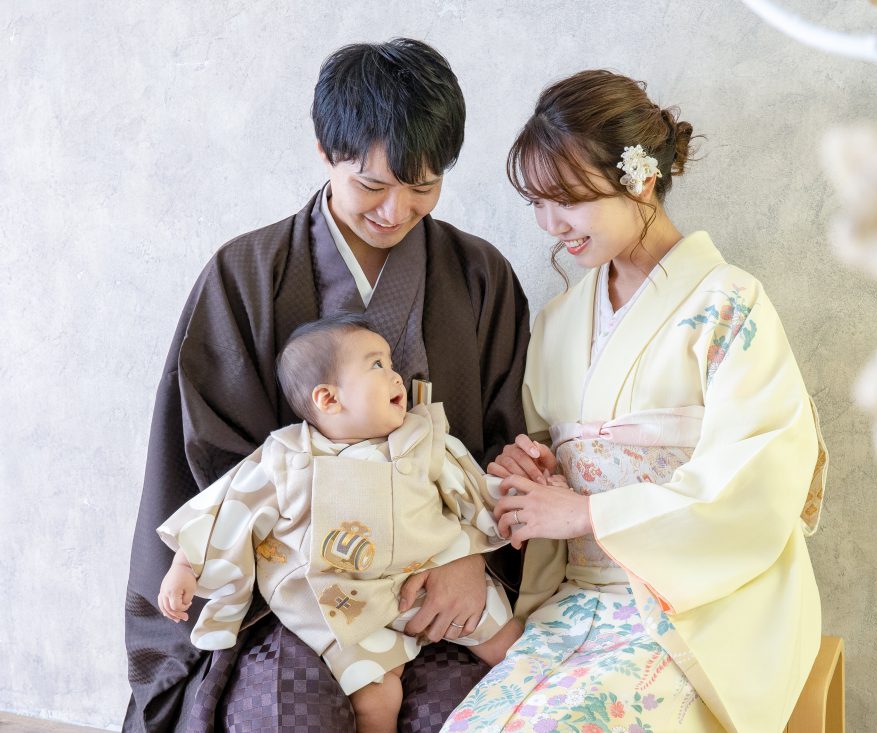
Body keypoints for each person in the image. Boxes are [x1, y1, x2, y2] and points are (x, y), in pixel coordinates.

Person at [125, 39, 530, 732]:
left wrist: (473, 561)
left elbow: (503, 443)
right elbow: (209, 467)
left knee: (469, 717)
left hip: (439, 584)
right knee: (287, 714)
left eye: (423, 186)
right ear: (324, 148)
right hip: (295, 600)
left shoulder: (478, 276)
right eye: (372, 185)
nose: (396, 210)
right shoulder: (245, 275)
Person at [441, 69, 829, 733]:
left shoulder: (730, 305)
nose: (549, 224)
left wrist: (587, 510)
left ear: (639, 179)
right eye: (537, 203)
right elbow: (549, 476)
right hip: (576, 604)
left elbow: (759, 483)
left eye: (565, 199)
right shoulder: (562, 318)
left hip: (698, 610)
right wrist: (532, 473)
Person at [157, 314, 523, 733]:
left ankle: (542, 706)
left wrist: (513, 507)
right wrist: (185, 566)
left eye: (391, 363)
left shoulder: (422, 438)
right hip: (347, 605)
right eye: (377, 366)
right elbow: (227, 510)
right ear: (329, 400)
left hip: (432, 577)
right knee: (376, 697)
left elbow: (473, 490)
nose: (397, 377)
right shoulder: (287, 458)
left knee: (507, 642)